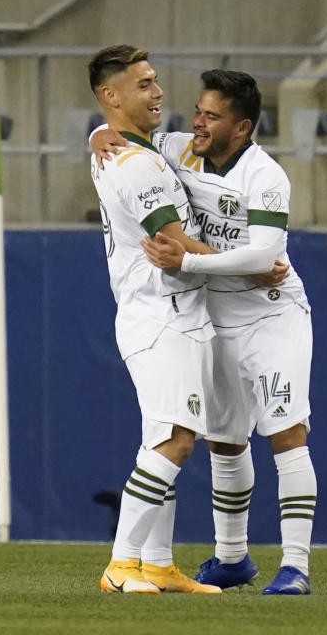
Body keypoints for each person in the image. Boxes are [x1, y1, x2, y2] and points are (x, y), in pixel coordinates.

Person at [125, 69, 318, 594]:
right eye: (198, 112)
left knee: (284, 433)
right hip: (217, 320)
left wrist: (188, 260)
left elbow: (264, 256)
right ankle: (231, 559)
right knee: (225, 442)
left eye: (212, 116)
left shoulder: (265, 176)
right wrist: (99, 135)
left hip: (272, 316)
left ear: (243, 126)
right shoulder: (181, 148)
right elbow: (130, 136)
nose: (198, 124)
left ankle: (296, 566)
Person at [86, 44, 220, 595]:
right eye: (143, 84)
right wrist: (248, 265)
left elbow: (103, 137)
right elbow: (174, 240)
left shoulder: (134, 147)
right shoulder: (135, 162)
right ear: (111, 96)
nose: (157, 90)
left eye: (156, 80)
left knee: (162, 438)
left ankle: (158, 562)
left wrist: (96, 130)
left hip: (175, 311)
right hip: (158, 312)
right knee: (175, 440)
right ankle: (121, 564)